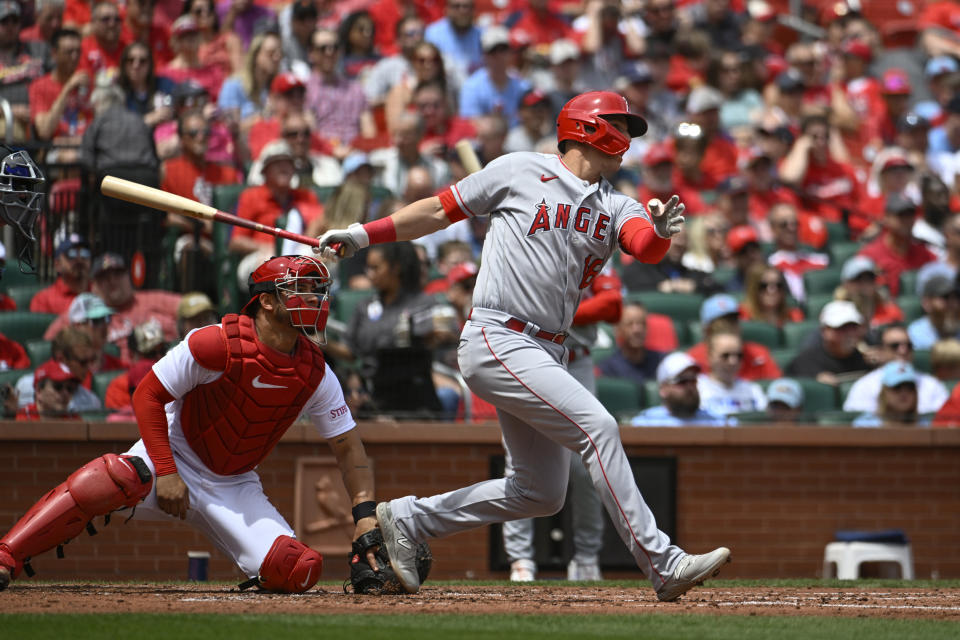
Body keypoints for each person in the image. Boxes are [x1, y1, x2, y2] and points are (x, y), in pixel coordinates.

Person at [315, 90, 730, 600]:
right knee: (599, 428)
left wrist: (662, 234)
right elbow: (439, 211)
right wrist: (362, 235)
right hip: (497, 335)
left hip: (547, 349)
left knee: (539, 492)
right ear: (589, 126)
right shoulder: (517, 169)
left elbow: (643, 244)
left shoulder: (615, 201)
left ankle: (406, 518)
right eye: (621, 125)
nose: (627, 139)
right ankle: (662, 562)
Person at [0, 255, 380, 595]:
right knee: (111, 476)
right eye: (300, 290)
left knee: (298, 569)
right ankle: (7, 556)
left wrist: (365, 515)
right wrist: (165, 471)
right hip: (173, 451)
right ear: (266, 300)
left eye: (317, 291)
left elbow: (348, 445)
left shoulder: (314, 372)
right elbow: (147, 395)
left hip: (234, 481)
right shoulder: (216, 343)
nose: (314, 300)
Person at [503, 264, 625, 583]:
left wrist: (552, 313)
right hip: (528, 355)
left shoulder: (592, 242)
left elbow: (612, 306)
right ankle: (520, 559)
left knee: (585, 467)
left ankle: (586, 556)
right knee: (520, 460)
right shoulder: (525, 240)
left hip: (577, 359)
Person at [43, 253, 182, 364]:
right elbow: (50, 342)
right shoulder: (84, 313)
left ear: (128, 276)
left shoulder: (152, 299)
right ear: (94, 285)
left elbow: (192, 307)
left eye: (117, 274)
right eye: (104, 277)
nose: (112, 280)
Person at [843, 324, 948, 415]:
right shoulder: (865, 386)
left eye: (908, 346)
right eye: (895, 346)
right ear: (881, 350)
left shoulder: (932, 385)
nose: (903, 351)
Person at [687, 294, 782, 381]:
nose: (730, 326)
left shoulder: (758, 353)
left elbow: (777, 385)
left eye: (733, 320)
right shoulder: (692, 359)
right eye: (722, 323)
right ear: (707, 330)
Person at [858, 194, 937, 298]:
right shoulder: (869, 255)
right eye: (901, 215)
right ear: (886, 217)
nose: (906, 221)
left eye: (910, 215)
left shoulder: (926, 255)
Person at [630, 352, 731, 428]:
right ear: (663, 389)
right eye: (682, 381)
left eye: (693, 380)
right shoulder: (647, 423)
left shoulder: (715, 421)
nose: (689, 386)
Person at [785, 300, 871, 383]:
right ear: (824, 331)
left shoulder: (868, 358)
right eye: (841, 328)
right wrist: (815, 380)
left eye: (853, 327)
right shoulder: (805, 362)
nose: (849, 333)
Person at [697, 331, 767, 417]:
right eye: (725, 356)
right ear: (709, 357)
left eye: (739, 356)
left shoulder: (753, 390)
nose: (733, 361)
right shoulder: (698, 389)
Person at [598, 301, 666, 384]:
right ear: (618, 329)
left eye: (642, 323)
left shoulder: (661, 361)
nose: (637, 330)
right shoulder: (609, 368)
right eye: (630, 324)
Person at [833, 256, 904, 328]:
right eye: (858, 279)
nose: (865, 284)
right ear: (846, 284)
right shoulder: (836, 314)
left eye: (870, 278)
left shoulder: (890, 312)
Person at [852, 362, 929, 428]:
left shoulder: (926, 425)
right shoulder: (865, 425)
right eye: (897, 387)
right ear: (885, 391)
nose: (904, 392)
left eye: (910, 387)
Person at [29, 233, 91, 314]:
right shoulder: (44, 300)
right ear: (57, 264)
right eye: (71, 254)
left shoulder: (101, 292)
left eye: (84, 253)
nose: (79, 259)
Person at [15, 360, 81, 421]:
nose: (66, 393)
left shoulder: (73, 419)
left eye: (70, 389)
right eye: (58, 387)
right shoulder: (25, 418)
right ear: (39, 392)